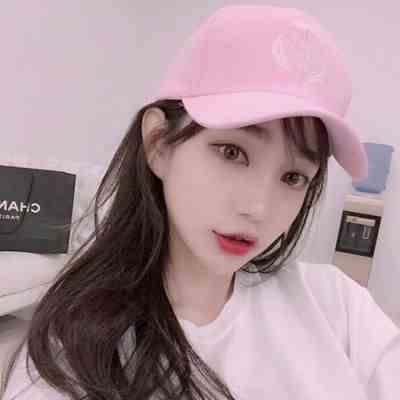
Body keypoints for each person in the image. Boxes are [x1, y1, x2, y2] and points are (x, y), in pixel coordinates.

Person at [1, 4, 399, 400]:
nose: (258, 209)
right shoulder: (74, 353)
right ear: (159, 144)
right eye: (232, 152)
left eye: (293, 177)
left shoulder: (339, 307)